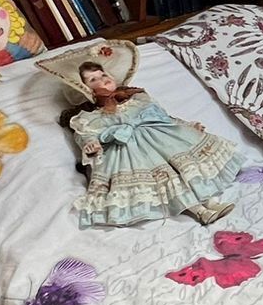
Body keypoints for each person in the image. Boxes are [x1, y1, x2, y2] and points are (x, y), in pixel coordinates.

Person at [68, 64, 239, 226]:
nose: (102, 79)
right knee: (167, 179)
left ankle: (212, 202)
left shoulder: (138, 99)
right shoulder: (91, 117)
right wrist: (91, 144)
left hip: (162, 139)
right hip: (131, 151)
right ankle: (200, 211)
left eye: (103, 74)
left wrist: (187, 125)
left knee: (185, 168)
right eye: (93, 80)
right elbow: (86, 134)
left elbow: (163, 118)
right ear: (85, 89)